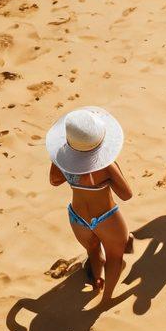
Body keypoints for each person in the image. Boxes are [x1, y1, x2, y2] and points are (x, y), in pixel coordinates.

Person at [46, 107, 133, 303]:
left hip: (77, 218)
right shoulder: (106, 166)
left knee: (93, 249)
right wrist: (110, 174)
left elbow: (54, 181)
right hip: (106, 218)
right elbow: (126, 194)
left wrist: (61, 159)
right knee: (115, 257)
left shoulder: (63, 161)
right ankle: (106, 299)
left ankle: (97, 280)